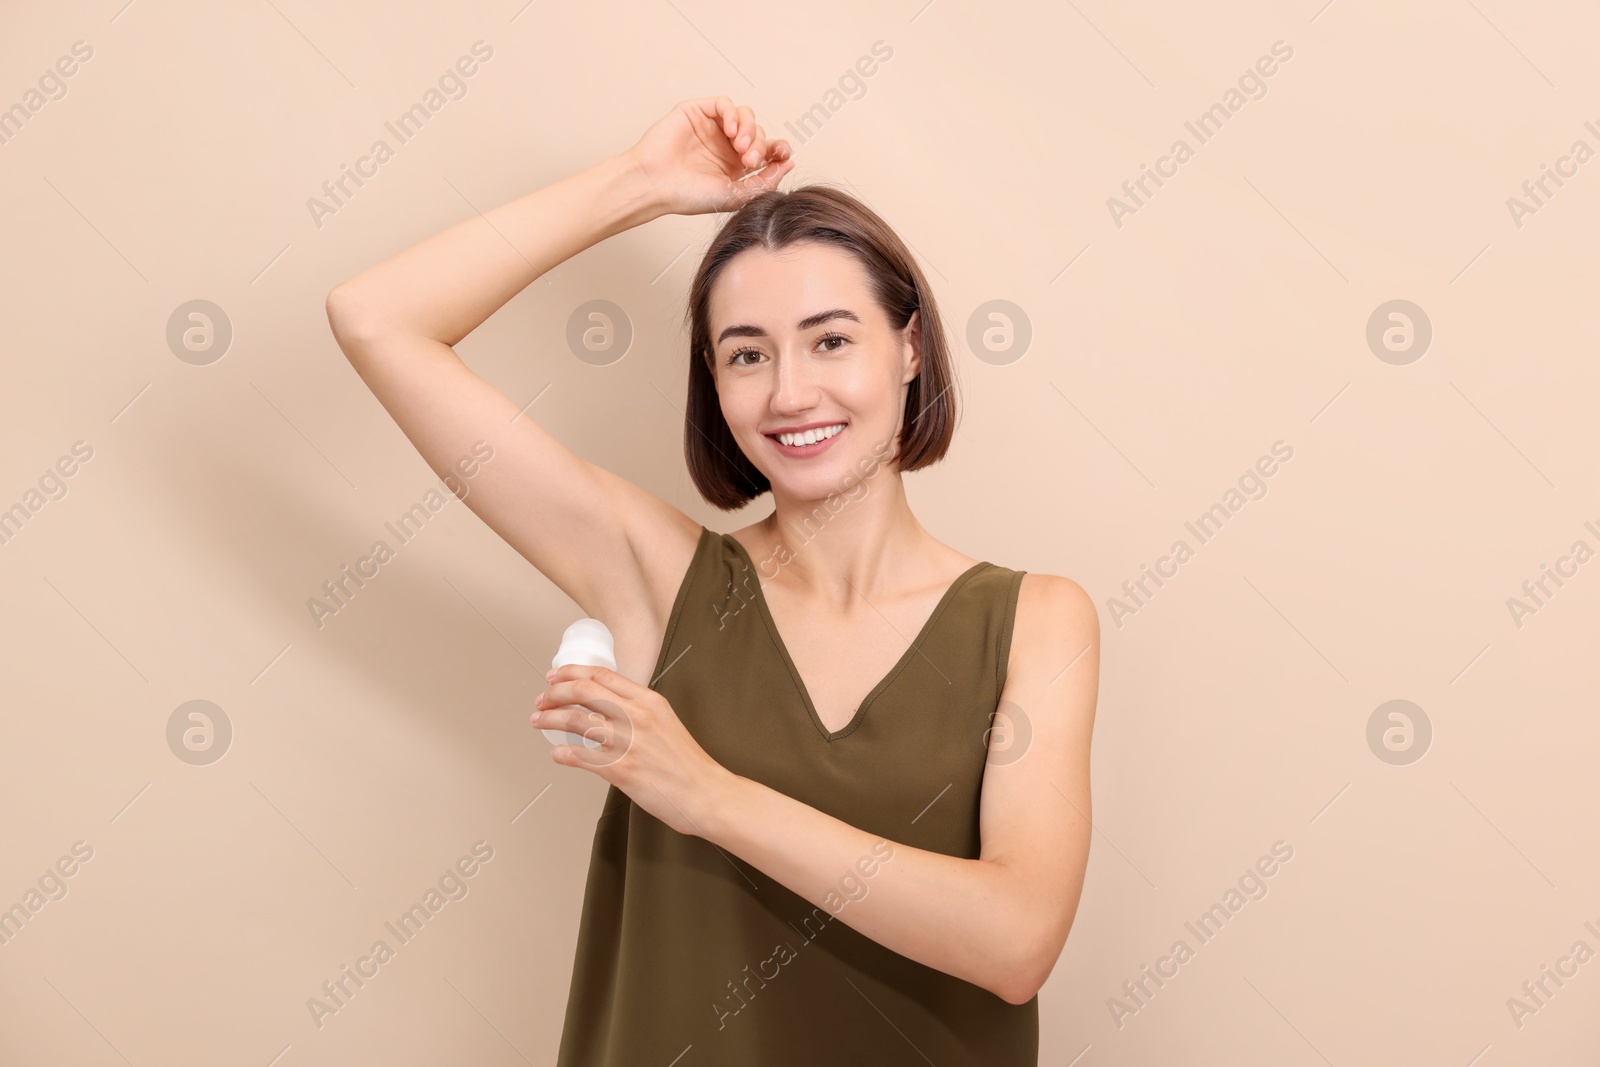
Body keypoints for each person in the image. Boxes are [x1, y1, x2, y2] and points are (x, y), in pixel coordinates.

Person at [326, 96, 1099, 1065]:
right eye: (746, 354)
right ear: (713, 379)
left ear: (907, 348)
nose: (788, 392)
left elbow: (1015, 941)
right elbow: (376, 319)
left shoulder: (1032, 620)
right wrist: (638, 185)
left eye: (830, 339)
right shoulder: (658, 575)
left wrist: (704, 793)